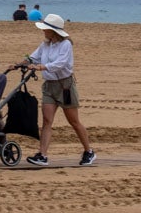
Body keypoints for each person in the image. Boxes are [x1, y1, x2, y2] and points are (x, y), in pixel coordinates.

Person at [15, 14, 96, 167]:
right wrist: (20, 64)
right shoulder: (45, 44)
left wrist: (41, 67)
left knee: (73, 121)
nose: (43, 31)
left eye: (46, 29)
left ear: (53, 31)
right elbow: (33, 57)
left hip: (65, 86)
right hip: (49, 86)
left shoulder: (66, 45)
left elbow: (61, 64)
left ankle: (89, 151)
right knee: (46, 121)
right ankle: (43, 155)